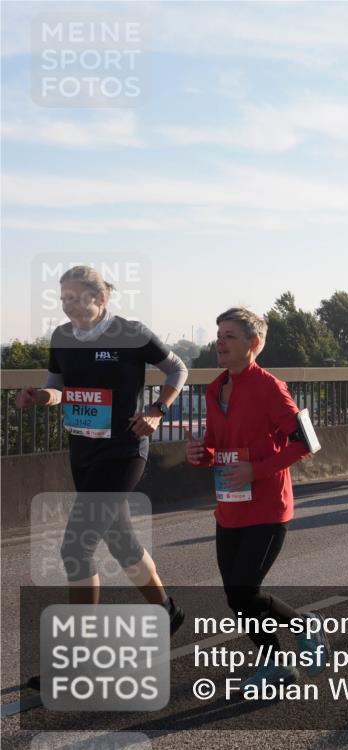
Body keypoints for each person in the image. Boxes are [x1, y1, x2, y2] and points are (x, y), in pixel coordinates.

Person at [15, 266, 188, 690]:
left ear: (101, 298)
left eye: (76, 298)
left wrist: (156, 410)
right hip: (84, 450)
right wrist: (39, 397)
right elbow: (58, 389)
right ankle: (166, 610)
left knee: (76, 546)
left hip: (124, 451)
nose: (69, 306)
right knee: (121, 540)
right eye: (64, 299)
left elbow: (178, 369)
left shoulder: (130, 333)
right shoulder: (61, 337)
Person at [186, 307, 327, 690]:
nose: (220, 342)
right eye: (219, 335)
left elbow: (306, 442)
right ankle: (276, 663)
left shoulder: (269, 387)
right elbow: (217, 446)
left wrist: (257, 470)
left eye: (229, 336)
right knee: (236, 597)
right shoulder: (215, 389)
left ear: (254, 343)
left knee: (244, 590)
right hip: (229, 506)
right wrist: (200, 454)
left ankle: (303, 625)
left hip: (267, 509)